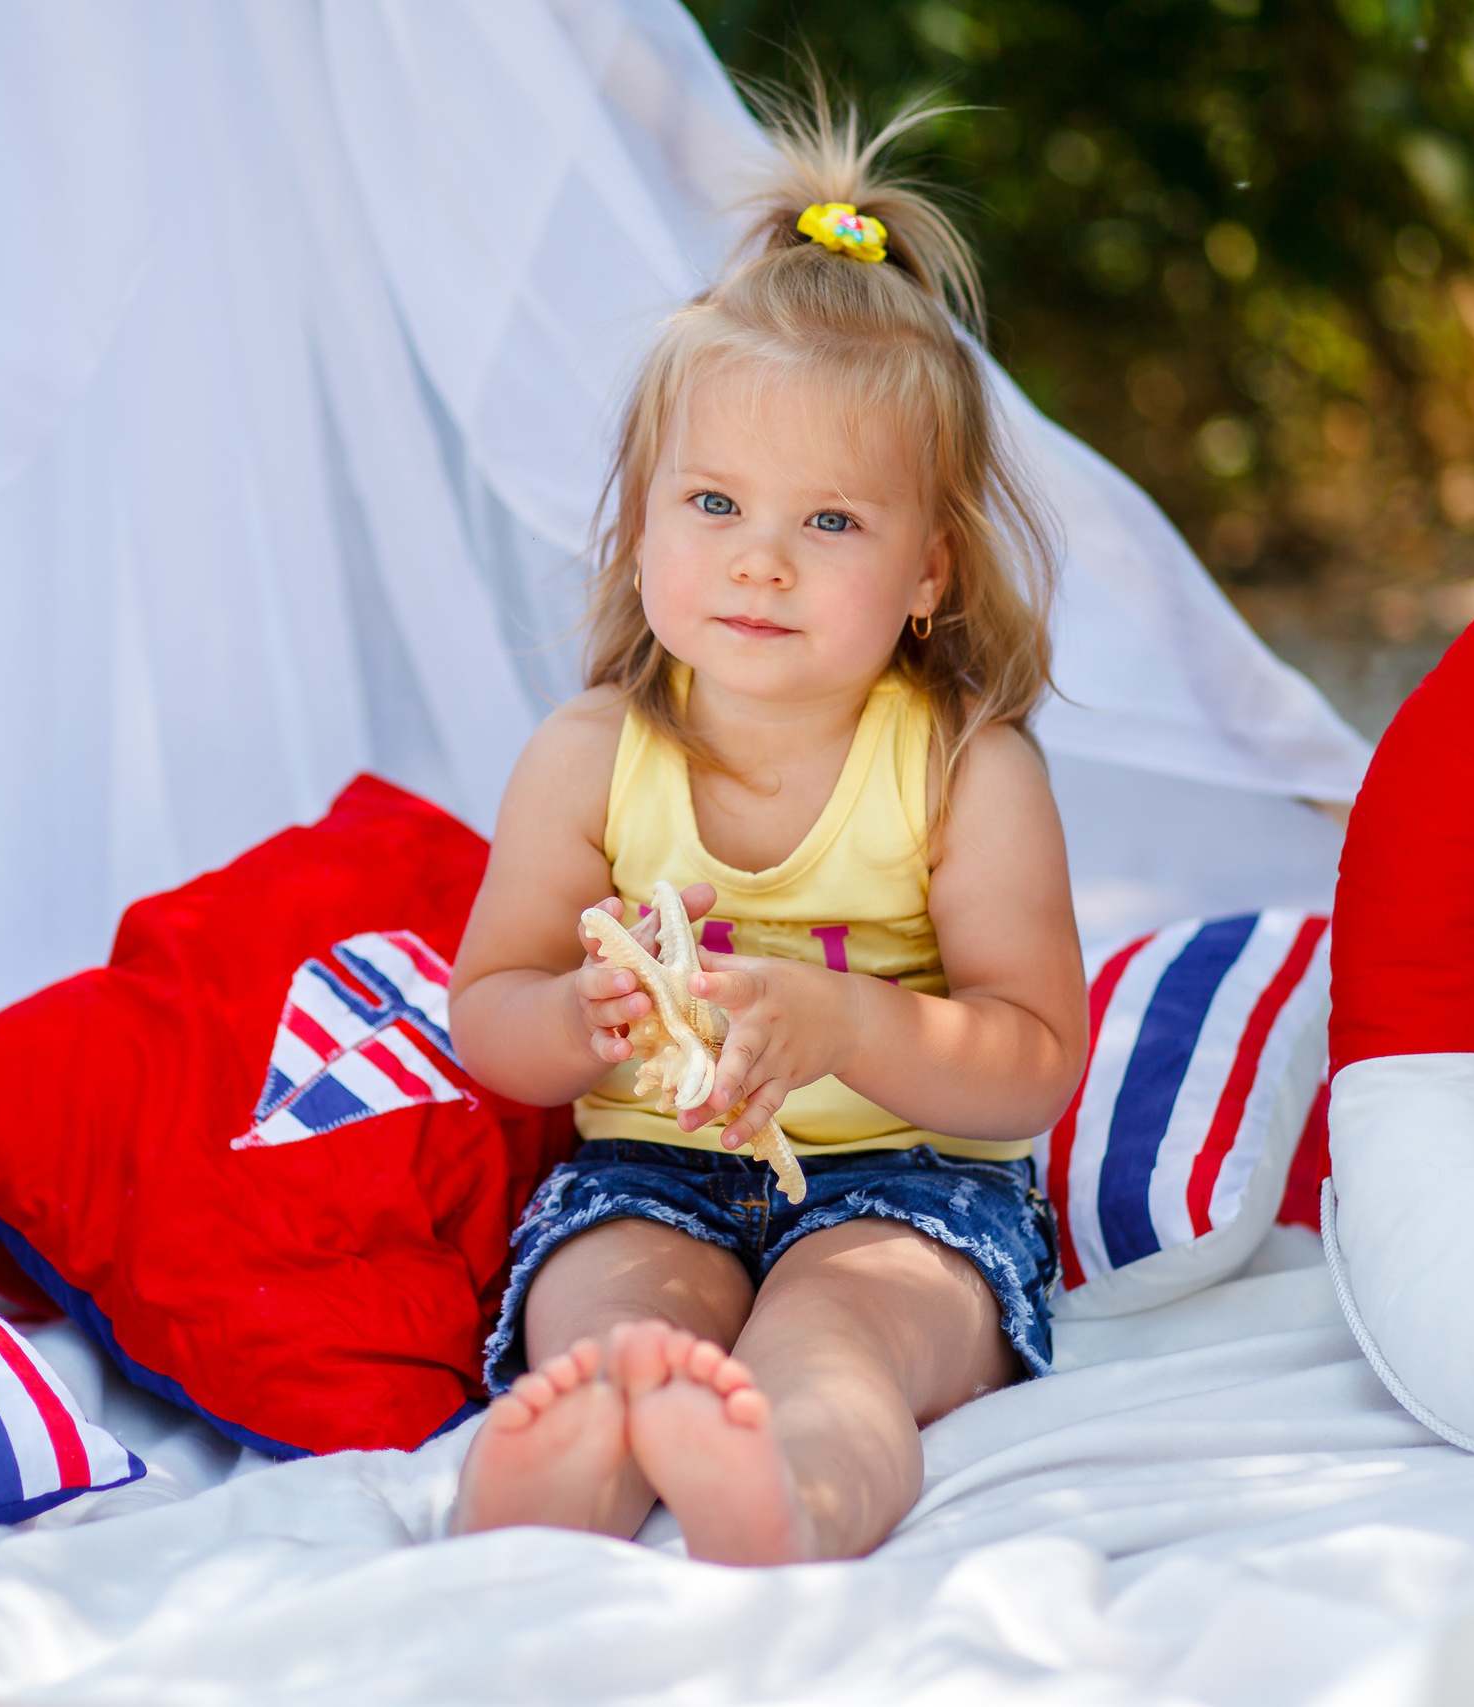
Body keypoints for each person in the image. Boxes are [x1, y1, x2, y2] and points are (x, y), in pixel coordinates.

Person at [444, 99, 1090, 1566]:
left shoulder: (962, 773)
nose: (760, 559)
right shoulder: (590, 760)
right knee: (610, 1294)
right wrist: (581, 1019)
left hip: (909, 1184)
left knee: (843, 1327)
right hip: (650, 1169)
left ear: (930, 568)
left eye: (832, 524)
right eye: (717, 502)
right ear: (642, 527)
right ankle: (573, 1461)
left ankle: (792, 1487)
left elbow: (1034, 1061)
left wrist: (844, 1023)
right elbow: (490, 1014)